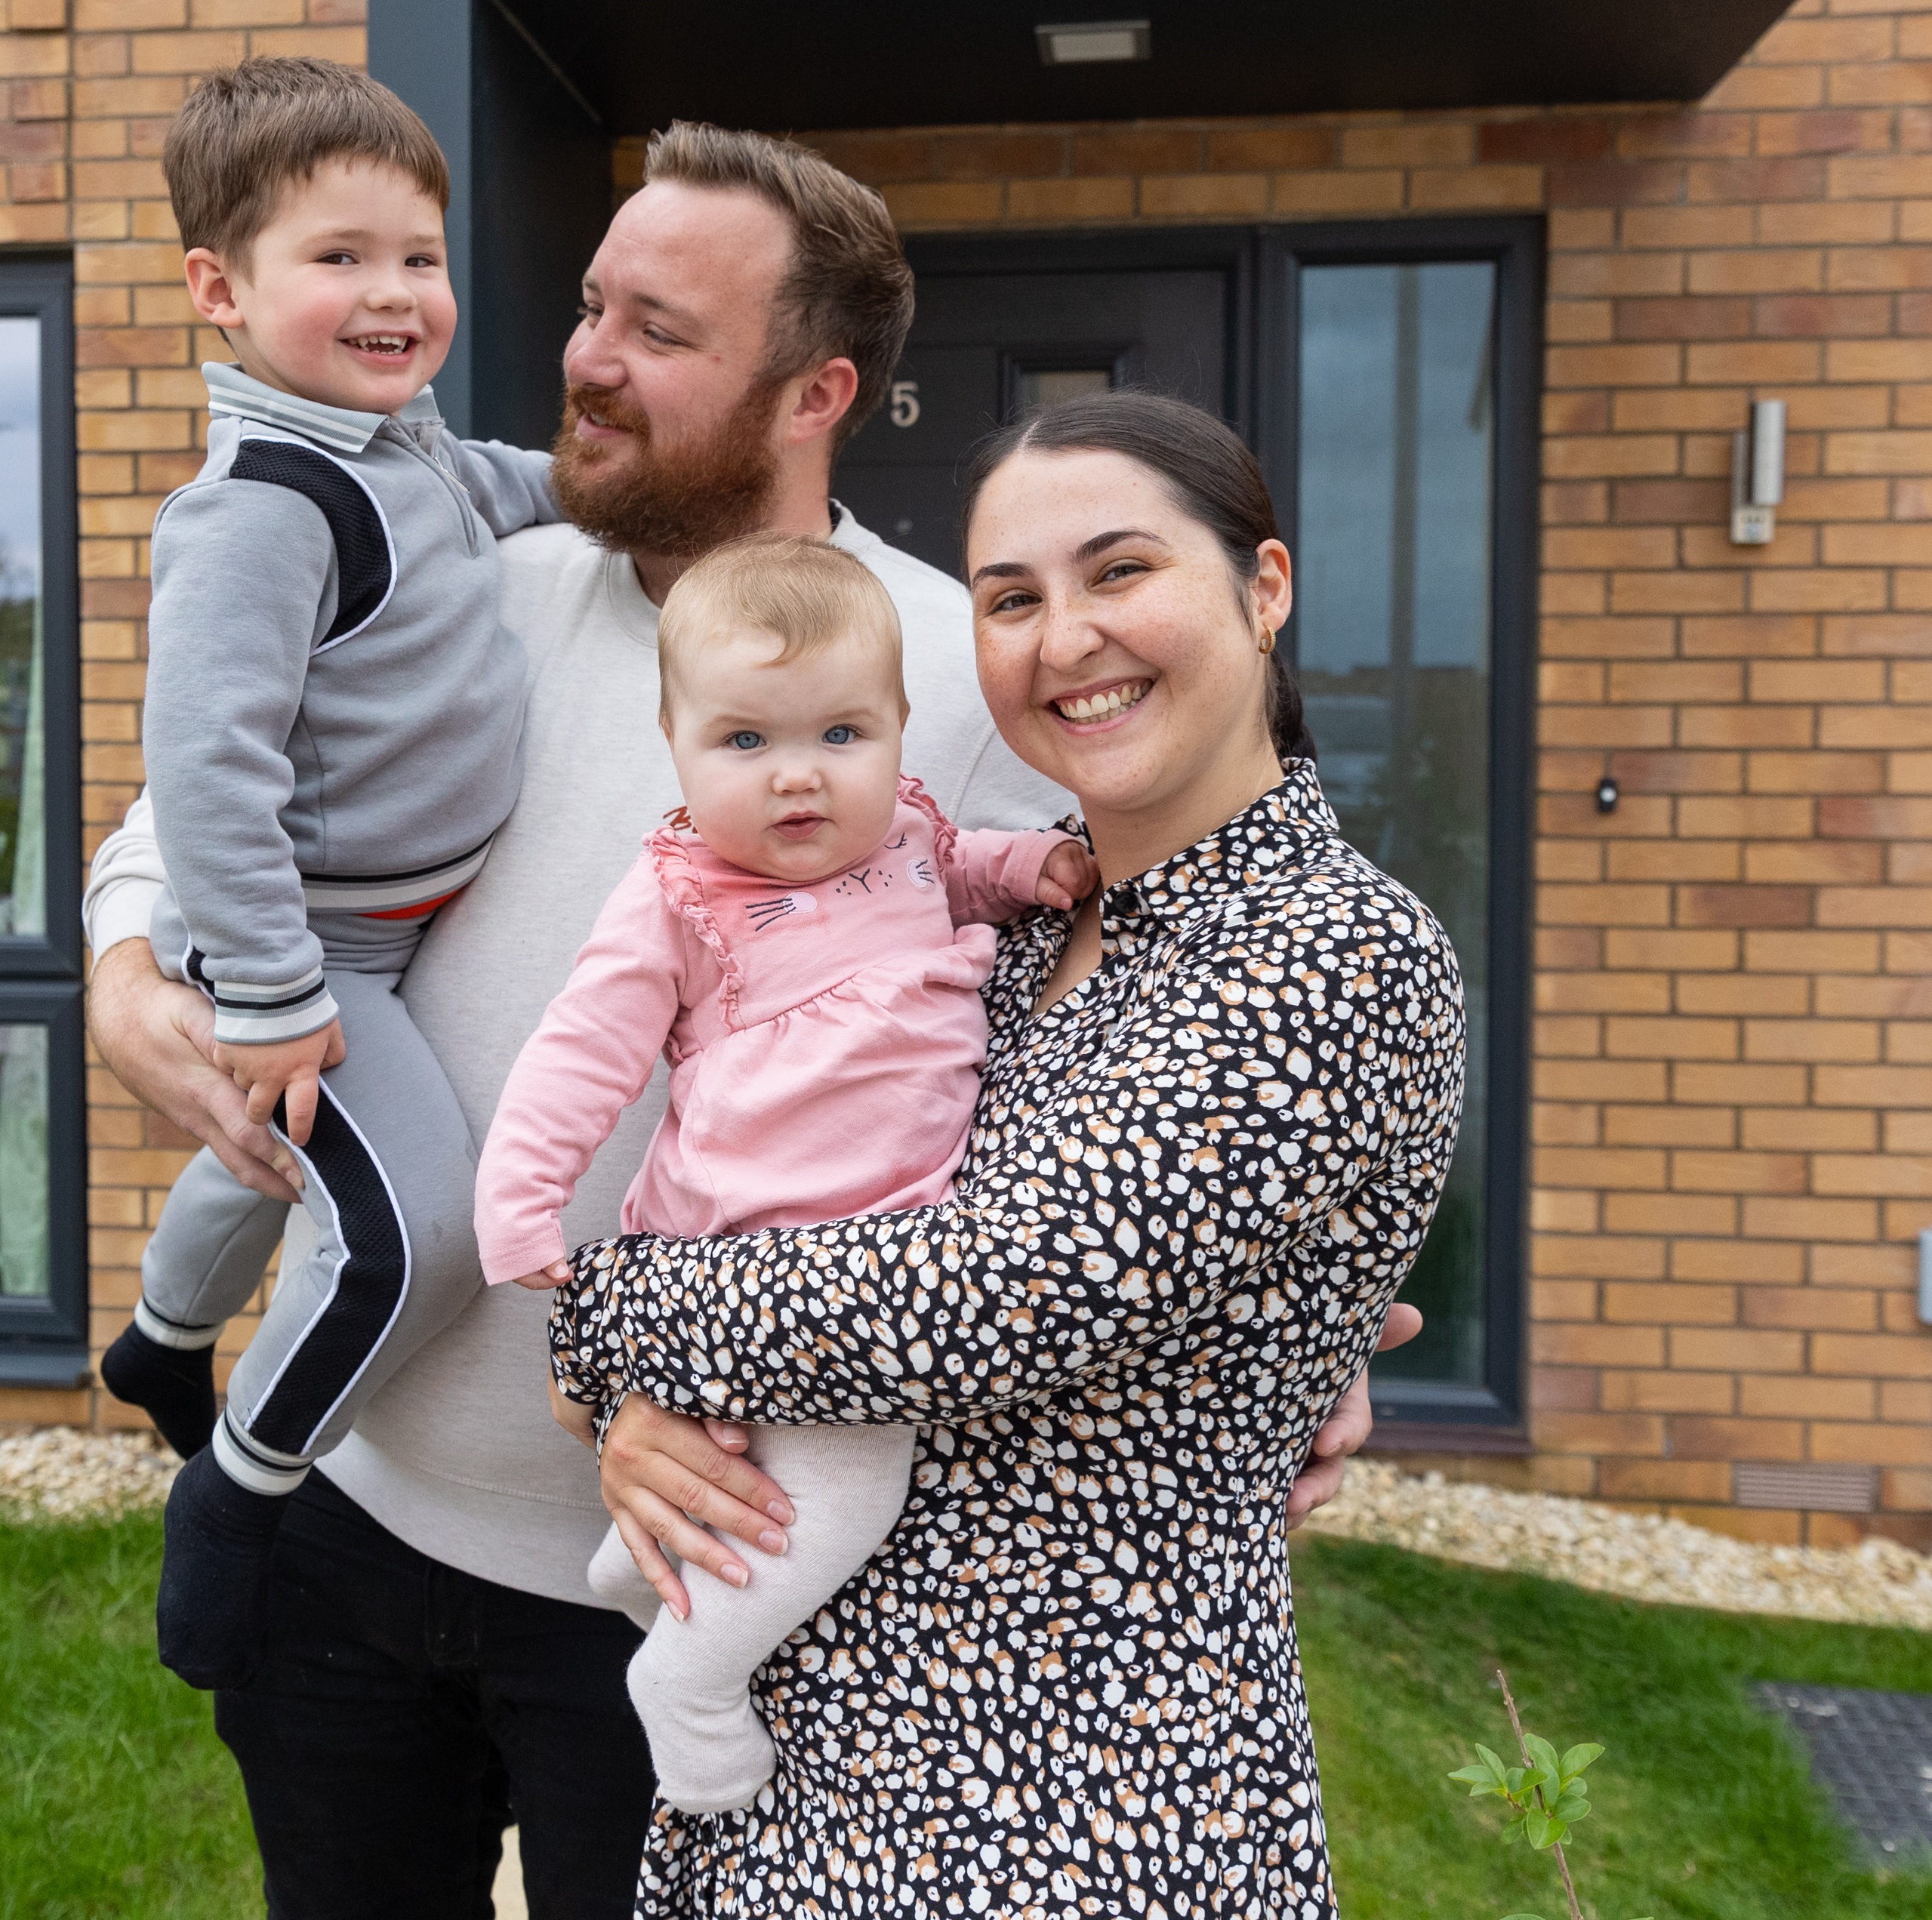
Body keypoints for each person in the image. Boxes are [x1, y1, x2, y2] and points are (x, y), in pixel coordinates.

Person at [83, 127, 1413, 1916]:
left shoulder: (965, 676)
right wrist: (119, 971)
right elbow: (202, 781)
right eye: (585, 306)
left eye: (659, 330)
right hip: (359, 1503)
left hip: (684, 1560)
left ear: (817, 390)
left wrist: (1269, 1354)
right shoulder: (475, 579)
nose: (585, 362)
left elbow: (1121, 1058)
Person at [544, 391, 1468, 1915]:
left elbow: (974, 1300)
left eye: (1120, 573)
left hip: (1071, 1813)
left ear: (1266, 588)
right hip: (806, 1797)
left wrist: (602, 1318)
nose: (1064, 640)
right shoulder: (1017, 918)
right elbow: (824, 1210)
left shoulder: (1337, 952)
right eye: (1011, 599)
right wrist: (635, 1408)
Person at [473, 534, 1098, 1814]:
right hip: (734, 1248)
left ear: (898, 732)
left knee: (745, 1474)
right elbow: (578, 1056)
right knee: (837, 1482)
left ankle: (644, 1579)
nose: (798, 778)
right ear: (677, 740)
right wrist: (519, 1202)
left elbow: (965, 866)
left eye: (841, 737)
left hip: (880, 1252)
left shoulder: (913, 837)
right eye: (745, 743)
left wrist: (1028, 867)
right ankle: (690, 1679)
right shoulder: (680, 897)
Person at [107, 55, 566, 1693]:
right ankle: (240, 1498)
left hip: (369, 933)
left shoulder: (403, 452)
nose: (394, 294)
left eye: (419, 259)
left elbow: (511, 491)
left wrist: (623, 490)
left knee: (264, 1159)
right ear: (219, 292)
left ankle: (160, 1346)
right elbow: (210, 770)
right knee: (406, 1242)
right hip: (315, 943)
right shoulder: (260, 509)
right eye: (340, 258)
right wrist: (281, 990)